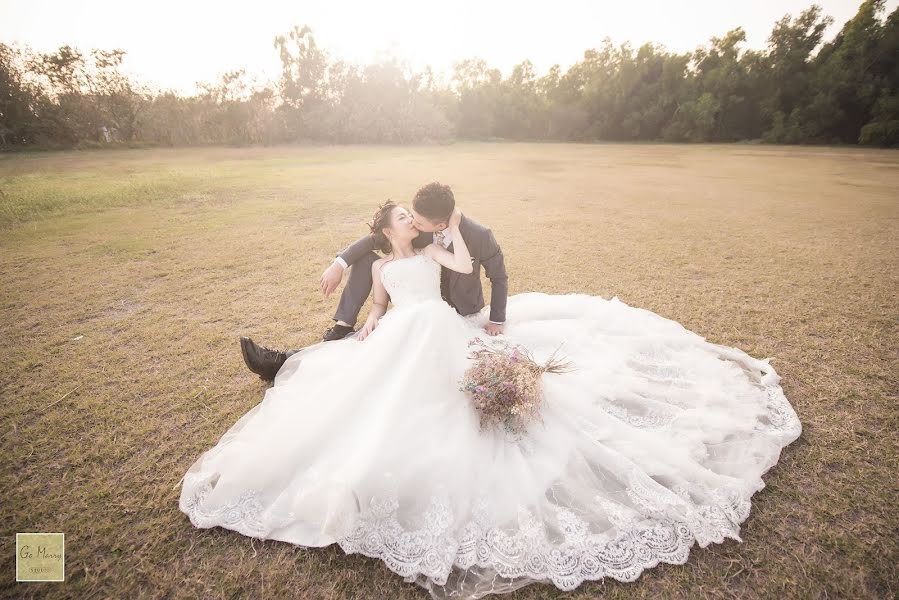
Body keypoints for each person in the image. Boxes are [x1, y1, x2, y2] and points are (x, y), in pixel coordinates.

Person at [178, 201, 802, 599]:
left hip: (440, 326)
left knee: (443, 385)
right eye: (401, 217)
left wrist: (447, 233)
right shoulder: (379, 261)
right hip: (398, 329)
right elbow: (378, 302)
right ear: (388, 229)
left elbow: (462, 257)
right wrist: (366, 322)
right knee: (367, 377)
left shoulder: (429, 244)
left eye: (411, 216)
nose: (408, 222)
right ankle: (309, 365)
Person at [239, 182, 507, 381]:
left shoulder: (477, 236)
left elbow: (498, 277)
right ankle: (332, 333)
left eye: (415, 219)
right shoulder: (415, 233)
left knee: (381, 360)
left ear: (437, 225)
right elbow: (372, 241)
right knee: (366, 348)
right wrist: (339, 263)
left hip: (453, 314)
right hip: (408, 315)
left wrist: (496, 318)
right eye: (407, 217)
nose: (412, 221)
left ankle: (293, 358)